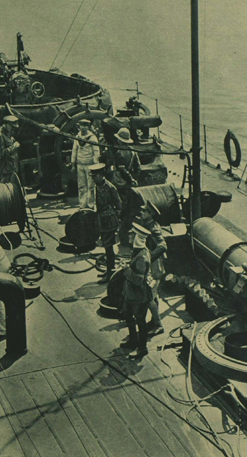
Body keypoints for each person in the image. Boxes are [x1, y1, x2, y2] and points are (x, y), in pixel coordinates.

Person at [121, 223, 153, 354]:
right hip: (132, 294)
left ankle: (142, 348)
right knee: (127, 315)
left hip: (139, 296)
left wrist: (126, 269)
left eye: (132, 234)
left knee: (140, 321)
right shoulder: (139, 251)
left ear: (137, 237)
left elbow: (138, 280)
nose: (129, 234)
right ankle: (133, 340)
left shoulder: (141, 256)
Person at [107, 127, 141, 246]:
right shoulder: (133, 151)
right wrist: (133, 179)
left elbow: (121, 169)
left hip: (120, 182)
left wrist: (129, 178)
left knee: (118, 203)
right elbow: (138, 167)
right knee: (128, 204)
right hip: (129, 184)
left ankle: (119, 226)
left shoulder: (119, 153)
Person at [138, 201, 167, 336]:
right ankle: (154, 320)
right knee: (153, 296)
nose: (141, 213)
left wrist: (149, 257)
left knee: (149, 297)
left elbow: (162, 246)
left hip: (154, 267)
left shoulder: (153, 228)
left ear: (150, 214)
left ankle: (158, 325)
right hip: (150, 266)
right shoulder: (147, 225)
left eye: (144, 211)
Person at [93, 164, 122, 284]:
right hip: (101, 219)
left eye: (95, 176)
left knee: (108, 246)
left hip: (109, 220)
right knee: (106, 246)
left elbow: (119, 203)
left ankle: (110, 272)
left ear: (100, 175)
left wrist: (116, 216)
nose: (93, 179)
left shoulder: (110, 187)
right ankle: (109, 270)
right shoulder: (97, 186)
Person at [71, 119, 100, 208]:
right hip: (80, 164)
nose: (83, 127)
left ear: (88, 127)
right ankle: (82, 205)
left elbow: (96, 151)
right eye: (81, 125)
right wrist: (73, 164)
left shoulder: (92, 137)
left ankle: (90, 205)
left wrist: (96, 165)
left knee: (91, 186)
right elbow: (74, 150)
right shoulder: (77, 137)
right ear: (79, 126)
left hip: (90, 165)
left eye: (85, 125)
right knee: (81, 186)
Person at [0, 115, 21, 182]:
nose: (13, 129)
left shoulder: (7, 132)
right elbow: (1, 153)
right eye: (12, 127)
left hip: (12, 166)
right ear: (7, 124)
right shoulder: (0, 135)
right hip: (6, 169)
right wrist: (14, 146)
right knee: (7, 188)